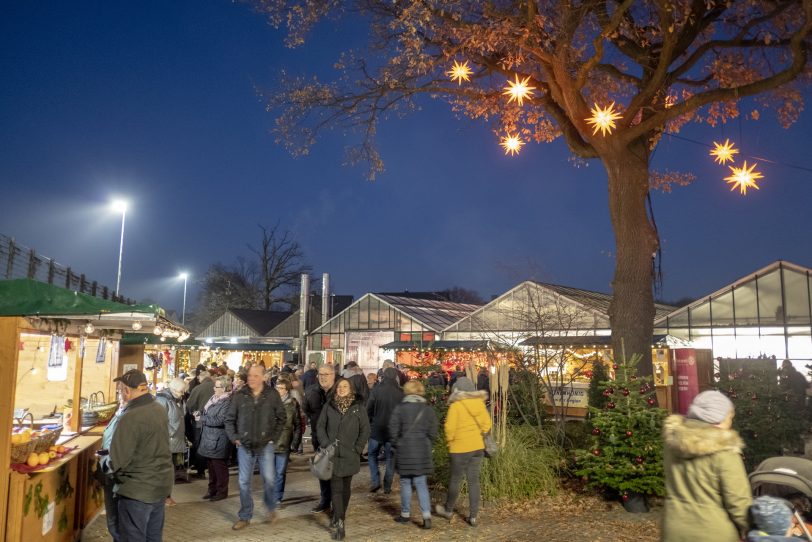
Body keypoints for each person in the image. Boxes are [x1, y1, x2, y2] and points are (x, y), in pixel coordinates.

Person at [661, 390, 751, 541]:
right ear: (718, 419)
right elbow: (738, 503)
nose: (731, 423)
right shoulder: (725, 451)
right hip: (714, 533)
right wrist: (754, 529)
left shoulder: (672, 443)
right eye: (730, 418)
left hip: (673, 530)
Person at [109, 369, 174, 542]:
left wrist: (102, 462)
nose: (120, 393)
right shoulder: (158, 408)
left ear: (127, 391)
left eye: (120, 389)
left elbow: (117, 461)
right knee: (153, 537)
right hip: (159, 485)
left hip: (137, 490)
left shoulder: (129, 417)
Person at [225, 365, 287, 531]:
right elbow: (229, 419)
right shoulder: (240, 395)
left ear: (263, 377)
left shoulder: (272, 395)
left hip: (265, 444)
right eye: (249, 375)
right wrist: (234, 438)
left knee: (269, 479)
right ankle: (245, 516)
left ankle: (270, 507)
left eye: (255, 375)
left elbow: (282, 417)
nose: (251, 378)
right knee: (244, 482)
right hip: (244, 445)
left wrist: (273, 438)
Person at [316, 377, 371, 540]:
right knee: (336, 489)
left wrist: (358, 448)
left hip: (350, 454)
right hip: (332, 454)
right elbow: (320, 427)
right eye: (339, 386)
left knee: (346, 489)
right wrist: (326, 444)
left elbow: (365, 430)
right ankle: (339, 522)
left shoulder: (358, 408)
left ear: (351, 389)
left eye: (345, 386)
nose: (341, 389)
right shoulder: (329, 406)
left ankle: (339, 515)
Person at [434, 376, 491, 528]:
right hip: (477, 448)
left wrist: (451, 441)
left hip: (460, 448)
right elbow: (487, 424)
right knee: (474, 481)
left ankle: (448, 510)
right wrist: (478, 435)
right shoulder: (479, 404)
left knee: (455, 480)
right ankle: (473, 516)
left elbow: (450, 428)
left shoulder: (456, 406)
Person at [389, 380, 438, 529]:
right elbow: (433, 430)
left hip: (404, 450)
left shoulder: (400, 409)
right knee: (421, 483)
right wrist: (427, 441)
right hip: (422, 450)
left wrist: (397, 442)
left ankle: (405, 514)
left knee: (405, 482)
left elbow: (393, 428)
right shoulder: (427, 409)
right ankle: (426, 515)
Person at [304, 363, 336, 513]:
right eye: (320, 374)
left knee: (336, 474)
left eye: (326, 374)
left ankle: (337, 504)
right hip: (319, 439)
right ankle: (325, 500)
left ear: (333, 375)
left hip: (337, 440)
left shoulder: (340, 391)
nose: (323, 377)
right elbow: (307, 410)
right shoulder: (311, 391)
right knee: (322, 471)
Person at [366, 367, 403, 494]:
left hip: (377, 428)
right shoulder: (400, 392)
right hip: (392, 431)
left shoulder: (377, 390)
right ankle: (387, 485)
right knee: (390, 458)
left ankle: (376, 481)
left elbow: (369, 408)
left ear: (384, 376)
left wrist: (370, 419)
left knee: (372, 454)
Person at [197, 376, 232, 502]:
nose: (213, 388)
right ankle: (212, 489)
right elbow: (208, 413)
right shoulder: (214, 399)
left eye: (216, 386)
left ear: (223, 388)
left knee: (219, 466)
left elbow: (221, 420)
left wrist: (203, 419)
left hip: (219, 438)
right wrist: (200, 414)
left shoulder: (227, 402)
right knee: (211, 466)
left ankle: (222, 491)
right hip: (209, 437)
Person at [154, 378, 187, 505]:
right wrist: (171, 433)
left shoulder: (175, 399)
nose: (183, 393)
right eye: (181, 391)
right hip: (167, 440)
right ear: (172, 389)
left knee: (170, 470)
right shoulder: (163, 401)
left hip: (174, 441)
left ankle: (167, 495)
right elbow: (160, 421)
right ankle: (164, 496)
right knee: (166, 470)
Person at [99, 395, 126, 542]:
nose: (121, 397)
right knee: (114, 520)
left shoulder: (128, 418)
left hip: (116, 473)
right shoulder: (119, 414)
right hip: (113, 470)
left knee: (116, 520)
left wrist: (107, 463)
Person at [273, 377, 303, 505]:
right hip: (269, 442)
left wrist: (294, 443)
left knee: (280, 473)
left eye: (281, 388)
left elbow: (297, 425)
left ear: (286, 390)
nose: (278, 390)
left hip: (284, 443)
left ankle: (277, 498)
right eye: (277, 388)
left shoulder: (292, 404)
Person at [186, 370, 215, 478]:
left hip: (200, 422)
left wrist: (194, 413)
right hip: (216, 421)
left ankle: (201, 469)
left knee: (200, 444)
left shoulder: (197, 388)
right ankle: (212, 469)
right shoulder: (216, 387)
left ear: (201, 379)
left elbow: (190, 405)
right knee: (213, 445)